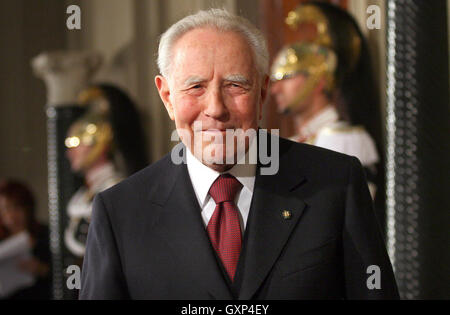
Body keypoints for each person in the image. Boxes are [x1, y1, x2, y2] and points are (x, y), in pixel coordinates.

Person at [80, 8, 399, 299]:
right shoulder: (120, 213)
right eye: (196, 87)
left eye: (235, 85)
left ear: (262, 92)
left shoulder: (335, 184)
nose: (216, 108)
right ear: (167, 96)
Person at [270, 2, 382, 199]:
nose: (275, 89)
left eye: (286, 77)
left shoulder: (345, 140)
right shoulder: (292, 143)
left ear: (318, 81)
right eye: (275, 80)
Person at [64, 83, 149, 261]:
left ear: (98, 144)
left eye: (77, 143)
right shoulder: (86, 192)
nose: (70, 152)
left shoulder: (114, 188)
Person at [0, 180, 51, 299]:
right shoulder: (2, 239)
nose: (11, 215)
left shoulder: (47, 235)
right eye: (5, 209)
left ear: (28, 207)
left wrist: (42, 270)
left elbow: (69, 273)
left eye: (16, 207)